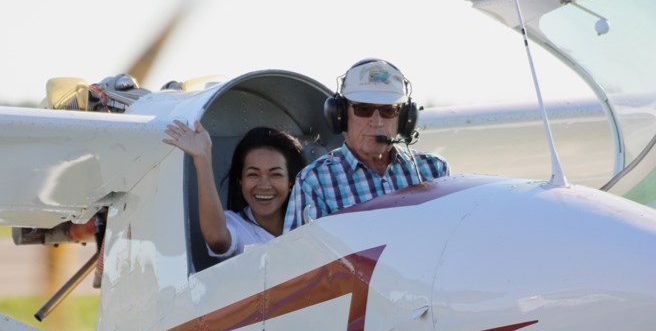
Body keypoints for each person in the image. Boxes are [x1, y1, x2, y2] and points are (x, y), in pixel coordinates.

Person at [284, 58, 449, 231]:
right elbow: (297, 255)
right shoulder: (314, 181)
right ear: (340, 115)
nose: (376, 122)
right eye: (364, 109)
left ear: (404, 119)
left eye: (388, 110)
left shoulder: (434, 170)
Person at [164, 120, 306, 258]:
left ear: (290, 182)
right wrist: (202, 157)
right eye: (253, 174)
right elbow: (216, 239)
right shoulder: (236, 224)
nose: (264, 185)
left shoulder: (308, 219)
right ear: (240, 181)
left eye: (275, 174)